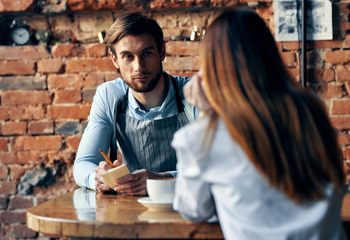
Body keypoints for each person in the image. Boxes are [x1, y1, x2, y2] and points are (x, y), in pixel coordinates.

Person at [172, 8, 346, 240]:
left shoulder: (201, 136)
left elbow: (194, 210)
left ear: (211, 67)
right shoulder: (310, 107)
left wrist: (206, 116)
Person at [73, 13, 197, 195]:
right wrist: (96, 177)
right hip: (134, 208)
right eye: (128, 57)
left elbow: (221, 166)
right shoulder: (109, 95)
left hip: (191, 202)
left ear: (162, 52)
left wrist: (163, 180)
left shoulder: (193, 93)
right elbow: (83, 163)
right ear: (115, 60)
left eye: (146, 53)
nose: (138, 66)